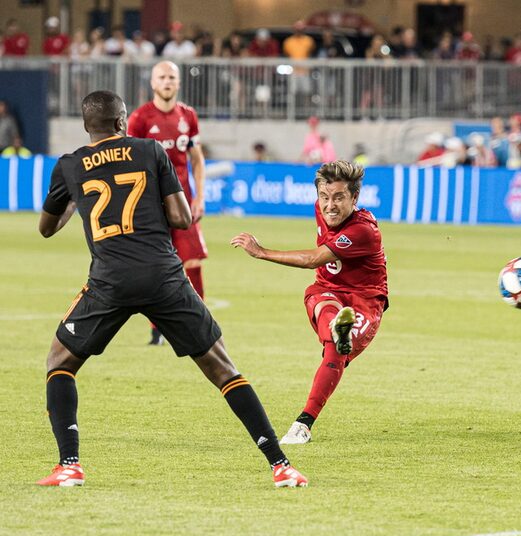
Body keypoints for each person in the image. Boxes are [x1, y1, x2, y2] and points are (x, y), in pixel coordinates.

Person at [35, 90, 306, 488]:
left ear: (86, 125)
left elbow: (46, 228)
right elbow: (180, 218)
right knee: (222, 368)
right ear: (121, 121)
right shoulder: (149, 151)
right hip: (163, 275)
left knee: (59, 363)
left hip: (110, 280)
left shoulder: (70, 165)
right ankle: (280, 465)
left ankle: (69, 465)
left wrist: (77, 196)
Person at [231, 160, 388, 444]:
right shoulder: (322, 209)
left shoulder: (363, 230)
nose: (330, 205)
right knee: (324, 307)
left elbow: (314, 259)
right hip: (327, 289)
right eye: (324, 197)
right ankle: (304, 422)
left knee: (336, 353)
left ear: (355, 198)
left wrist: (262, 252)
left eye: (339, 197)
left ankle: (305, 421)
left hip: (365, 302)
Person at [128, 61, 208, 346]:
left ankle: (199, 324)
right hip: (152, 207)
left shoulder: (188, 116)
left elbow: (197, 160)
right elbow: (129, 163)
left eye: (171, 77)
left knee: (194, 261)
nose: (167, 81)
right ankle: (156, 330)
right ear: (152, 83)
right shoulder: (139, 119)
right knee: (158, 266)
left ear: (178, 83)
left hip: (184, 203)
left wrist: (200, 196)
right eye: (161, 77)